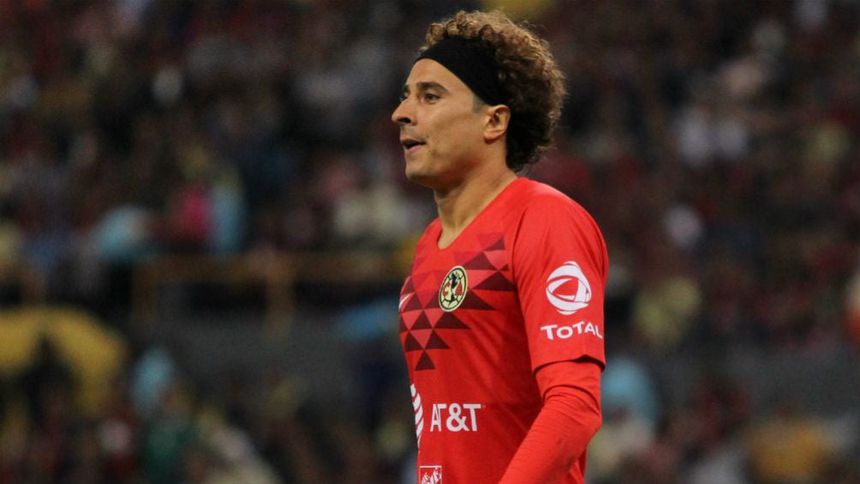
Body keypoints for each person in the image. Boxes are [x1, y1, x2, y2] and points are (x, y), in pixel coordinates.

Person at [392, 10, 608, 484]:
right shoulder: (428, 246)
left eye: (430, 96)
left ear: (493, 121)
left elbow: (574, 407)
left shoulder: (544, 220)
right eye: (405, 96)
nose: (402, 113)